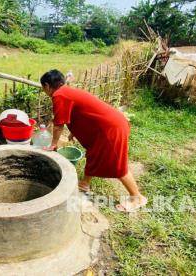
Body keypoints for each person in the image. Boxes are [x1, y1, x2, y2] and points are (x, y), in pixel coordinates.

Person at [40, 69, 147, 212]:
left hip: (111, 129)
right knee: (93, 154)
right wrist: (73, 131)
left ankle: (137, 197)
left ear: (47, 86)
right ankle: (84, 184)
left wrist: (53, 145)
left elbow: (59, 125)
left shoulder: (59, 95)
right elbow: (83, 112)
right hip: (110, 124)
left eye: (43, 88)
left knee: (117, 165)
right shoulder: (68, 92)